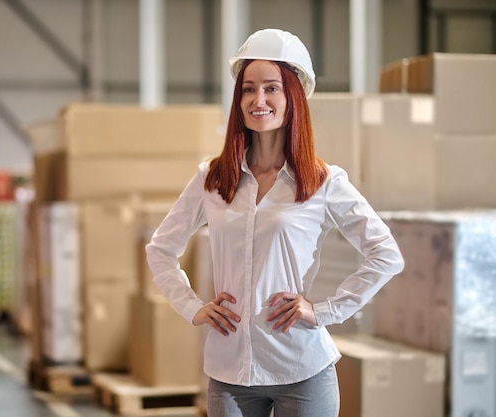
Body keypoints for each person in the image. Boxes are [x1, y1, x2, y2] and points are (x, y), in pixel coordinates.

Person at [145, 28, 404, 417]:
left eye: (271, 88)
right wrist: (192, 306)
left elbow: (386, 255)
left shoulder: (323, 182)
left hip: (301, 371)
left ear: (293, 97)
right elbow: (160, 249)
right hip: (229, 373)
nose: (258, 100)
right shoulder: (212, 179)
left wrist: (325, 312)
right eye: (248, 89)